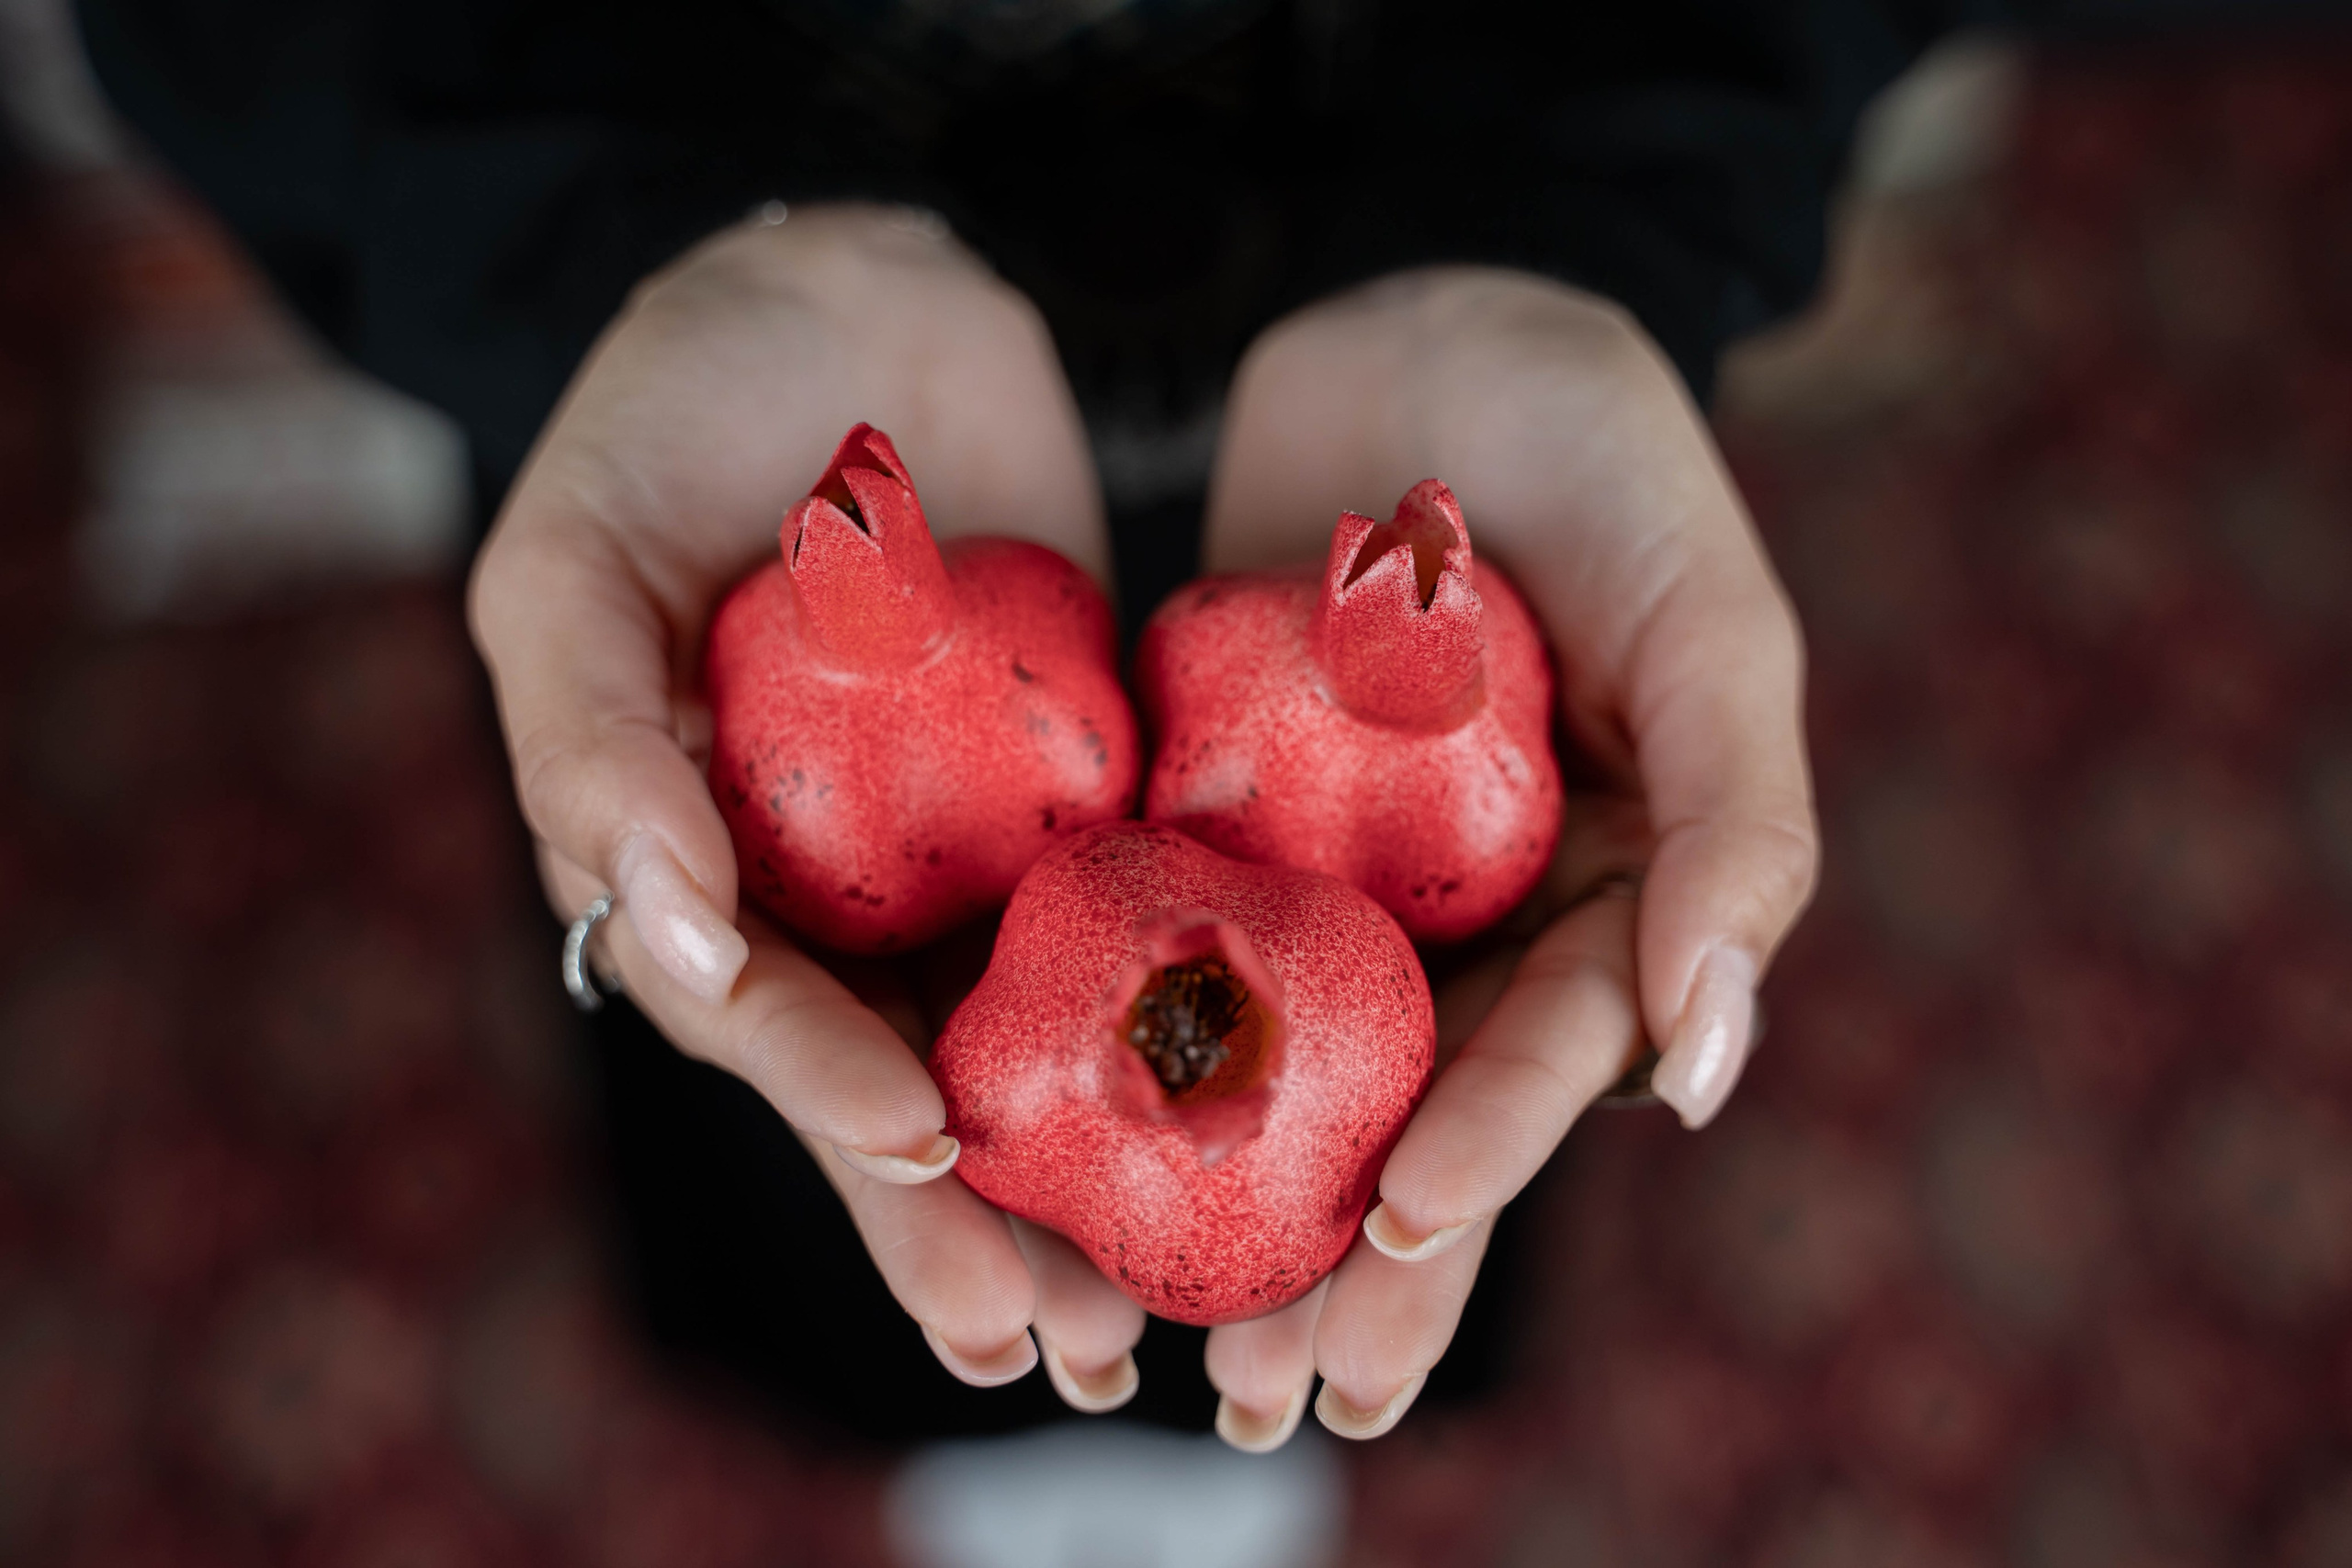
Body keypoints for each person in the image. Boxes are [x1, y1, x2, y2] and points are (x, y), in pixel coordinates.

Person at [79, 0, 1863, 1450]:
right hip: (727, 434)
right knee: (798, 1060)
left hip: (1387, 326)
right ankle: (921, 1417)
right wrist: (623, 239)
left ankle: (1247, 1453)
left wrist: (1574, 206)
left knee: (1438, 1145)